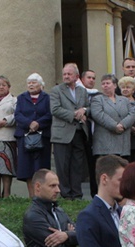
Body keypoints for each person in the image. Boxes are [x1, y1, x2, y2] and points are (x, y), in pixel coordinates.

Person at [49, 63, 90, 200]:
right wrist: (74, 114)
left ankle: (77, 194)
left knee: (77, 165)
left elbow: (88, 107)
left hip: (79, 132)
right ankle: (66, 194)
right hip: (62, 134)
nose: (66, 76)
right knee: (63, 166)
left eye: (69, 74)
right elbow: (55, 109)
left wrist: (84, 111)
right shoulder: (56, 90)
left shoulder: (82, 91)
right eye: (64, 74)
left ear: (77, 76)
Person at [14, 73, 52, 197]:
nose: (31, 84)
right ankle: (32, 195)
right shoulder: (21, 98)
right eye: (29, 82)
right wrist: (29, 123)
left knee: (41, 167)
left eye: (34, 82)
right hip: (25, 136)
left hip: (42, 137)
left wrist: (38, 123)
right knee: (27, 167)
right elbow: (18, 115)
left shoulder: (47, 98)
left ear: (41, 85)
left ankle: (41, 195)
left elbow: (50, 114)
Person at [91, 74, 135, 160]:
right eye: (103, 84)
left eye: (108, 83)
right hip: (105, 144)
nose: (105, 85)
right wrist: (115, 126)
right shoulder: (97, 99)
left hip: (123, 144)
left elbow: (132, 114)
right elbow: (98, 115)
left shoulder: (125, 100)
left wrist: (123, 125)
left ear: (115, 85)